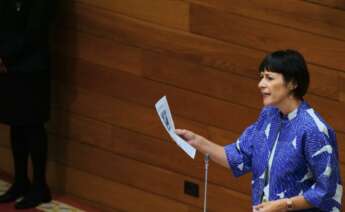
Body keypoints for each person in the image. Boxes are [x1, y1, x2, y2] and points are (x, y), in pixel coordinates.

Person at [176, 50, 343, 211]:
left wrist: (282, 205)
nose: (261, 84)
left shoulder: (313, 129)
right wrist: (195, 140)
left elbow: (327, 190)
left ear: (293, 83)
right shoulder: (269, 115)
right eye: (261, 77)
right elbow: (237, 157)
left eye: (269, 78)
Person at [0, 0, 54, 209]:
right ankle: (21, 181)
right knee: (16, 122)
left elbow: (36, 29)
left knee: (33, 125)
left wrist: (7, 56)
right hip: (9, 65)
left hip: (33, 65)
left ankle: (40, 186)